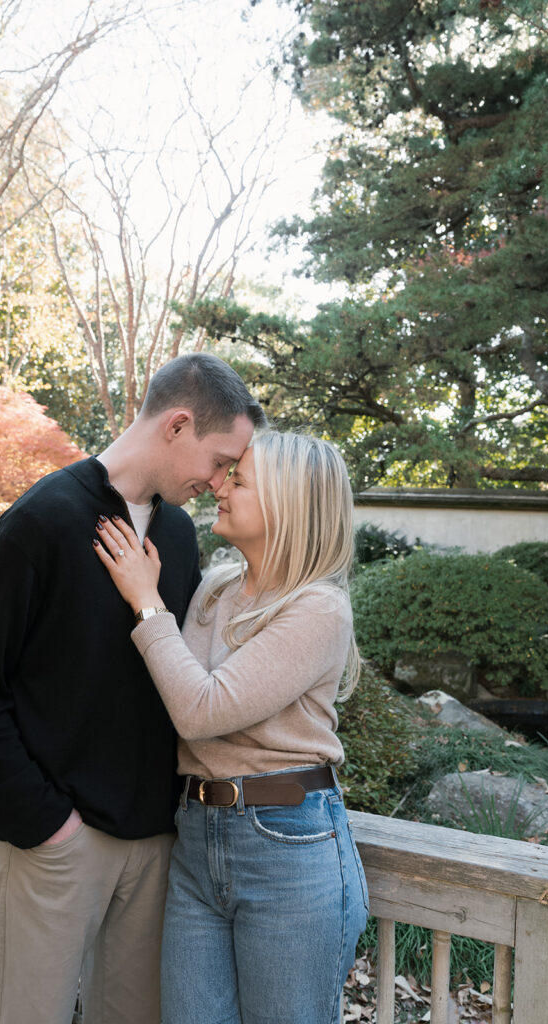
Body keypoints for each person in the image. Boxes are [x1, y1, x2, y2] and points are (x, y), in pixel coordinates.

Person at [0, 353, 266, 1024]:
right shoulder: (43, 520)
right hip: (58, 842)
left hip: (156, 844)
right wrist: (43, 823)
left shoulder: (177, 537)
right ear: (177, 425)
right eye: (218, 459)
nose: (218, 482)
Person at [93, 430, 369, 1024]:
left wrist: (147, 604)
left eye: (239, 480)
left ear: (289, 505)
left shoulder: (319, 609)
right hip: (195, 837)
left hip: (288, 849)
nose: (218, 485)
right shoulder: (216, 589)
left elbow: (200, 709)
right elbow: (177, 701)